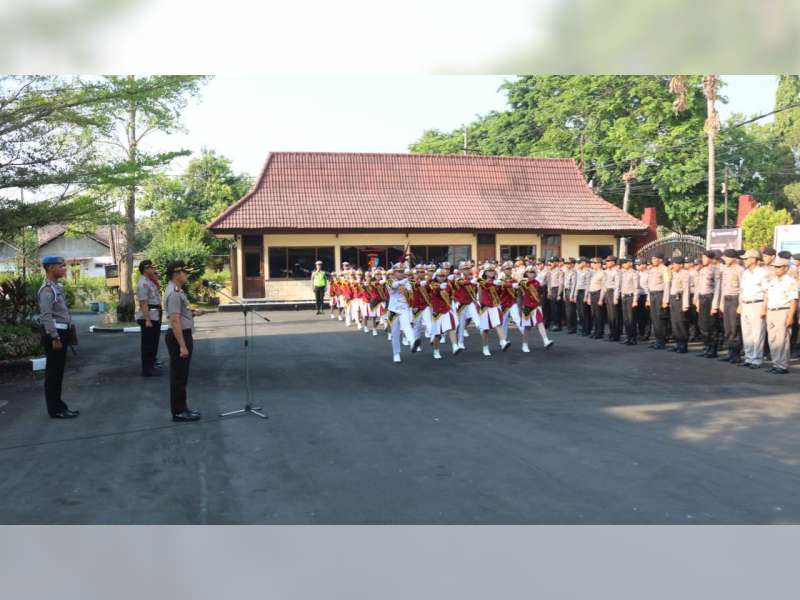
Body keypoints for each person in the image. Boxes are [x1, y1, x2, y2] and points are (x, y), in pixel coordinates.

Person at [37, 256, 79, 419]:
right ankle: (55, 410)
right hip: (55, 335)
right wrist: (55, 337)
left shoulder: (55, 287)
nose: (64, 268)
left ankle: (59, 406)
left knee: (58, 373)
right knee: (53, 374)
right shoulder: (47, 290)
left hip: (61, 333)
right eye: (60, 266)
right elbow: (46, 316)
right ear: (50, 268)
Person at [164, 260, 206, 422]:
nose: (187, 275)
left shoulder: (177, 290)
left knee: (182, 375)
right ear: (177, 274)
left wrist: (194, 313)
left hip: (181, 334)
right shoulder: (174, 293)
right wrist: (182, 345)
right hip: (179, 337)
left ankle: (182, 407)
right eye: (184, 272)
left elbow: (181, 314)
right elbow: (175, 320)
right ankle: (179, 411)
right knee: (179, 377)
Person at [764, 256, 797, 374]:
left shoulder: (790, 281)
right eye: (775, 267)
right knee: (772, 339)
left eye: (778, 267)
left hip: (783, 311)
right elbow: (767, 296)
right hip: (771, 311)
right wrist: (765, 310)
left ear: (786, 268)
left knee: (782, 340)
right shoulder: (773, 280)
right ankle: (775, 363)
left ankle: (782, 366)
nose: (776, 269)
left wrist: (790, 317)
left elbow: (793, 300)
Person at [739, 249, 768, 369]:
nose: (744, 260)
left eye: (746, 258)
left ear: (753, 259)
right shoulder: (745, 273)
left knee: (757, 334)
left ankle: (756, 359)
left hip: (757, 304)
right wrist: (740, 305)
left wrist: (764, 308)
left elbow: (767, 292)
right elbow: (742, 290)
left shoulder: (763, 273)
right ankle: (748, 357)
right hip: (745, 304)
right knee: (746, 333)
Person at [136, 259, 163, 377]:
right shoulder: (143, 283)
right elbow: (144, 303)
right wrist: (147, 319)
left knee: (154, 342)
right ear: (146, 269)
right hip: (149, 316)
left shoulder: (150, 281)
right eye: (152, 268)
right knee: (148, 344)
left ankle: (152, 365)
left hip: (155, 314)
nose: (154, 269)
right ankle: (146, 369)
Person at [716, 248, 744, 364]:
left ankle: (736, 355)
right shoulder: (725, 270)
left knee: (734, 328)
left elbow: (743, 288)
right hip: (726, 299)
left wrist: (740, 305)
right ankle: (730, 353)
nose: (725, 259)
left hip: (735, 300)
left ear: (733, 258)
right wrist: (721, 303)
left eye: (727, 257)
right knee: (727, 328)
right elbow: (723, 287)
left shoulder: (740, 270)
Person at [516, 266, 553, 351]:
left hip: (536, 306)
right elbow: (519, 296)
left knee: (540, 323)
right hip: (526, 306)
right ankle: (524, 344)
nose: (531, 274)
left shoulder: (537, 282)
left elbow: (540, 293)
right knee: (527, 326)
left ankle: (545, 340)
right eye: (529, 272)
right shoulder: (522, 282)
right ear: (526, 273)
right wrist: (519, 307)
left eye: (532, 272)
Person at [694, 250, 721, 358]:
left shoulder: (716, 270)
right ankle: (707, 346)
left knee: (711, 325)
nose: (703, 260)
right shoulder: (702, 270)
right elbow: (698, 286)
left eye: (705, 258)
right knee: (702, 324)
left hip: (710, 298)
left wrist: (715, 306)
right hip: (702, 298)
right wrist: (696, 301)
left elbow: (718, 288)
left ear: (710, 258)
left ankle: (713, 349)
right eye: (702, 257)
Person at [386, 264, 415, 363]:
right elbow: (393, 287)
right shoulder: (389, 281)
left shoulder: (407, 282)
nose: (401, 273)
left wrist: (407, 287)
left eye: (402, 271)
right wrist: (403, 282)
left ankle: (412, 342)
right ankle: (396, 353)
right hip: (393, 310)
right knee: (395, 333)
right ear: (394, 273)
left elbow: (411, 294)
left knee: (407, 325)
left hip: (404, 308)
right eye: (399, 271)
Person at [666, 256, 691, 353]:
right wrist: (668, 270)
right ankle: (678, 343)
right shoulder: (671, 273)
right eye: (672, 264)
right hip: (673, 298)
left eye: (674, 264)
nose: (673, 266)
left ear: (681, 265)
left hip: (680, 299)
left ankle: (683, 345)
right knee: (674, 322)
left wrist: (685, 304)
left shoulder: (685, 274)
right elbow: (666, 282)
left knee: (681, 323)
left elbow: (686, 290)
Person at [645, 252, 669, 349]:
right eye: (652, 259)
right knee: (654, 318)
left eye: (655, 259)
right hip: (652, 295)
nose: (653, 260)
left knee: (660, 319)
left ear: (660, 259)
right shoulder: (651, 269)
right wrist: (648, 298)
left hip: (660, 294)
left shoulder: (665, 270)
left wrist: (665, 300)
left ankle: (661, 341)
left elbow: (667, 285)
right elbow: (649, 285)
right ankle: (657, 339)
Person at [616, 256, 639, 345]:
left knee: (631, 319)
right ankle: (628, 337)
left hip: (631, 297)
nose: (623, 264)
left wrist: (635, 300)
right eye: (623, 263)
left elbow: (636, 287)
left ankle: (633, 338)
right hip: (624, 297)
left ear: (630, 263)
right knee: (626, 319)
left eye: (625, 262)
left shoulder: (634, 273)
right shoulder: (622, 273)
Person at [602, 256, 621, 341]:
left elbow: (617, 286)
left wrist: (616, 297)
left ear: (613, 262)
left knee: (614, 315)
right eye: (606, 261)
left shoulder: (617, 272)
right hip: (607, 293)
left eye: (608, 261)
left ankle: (615, 335)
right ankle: (611, 333)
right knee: (609, 315)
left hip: (613, 292)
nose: (606, 263)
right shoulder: (606, 271)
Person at [587, 257, 606, 339]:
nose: (592, 264)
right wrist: (588, 297)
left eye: (593, 263)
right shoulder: (593, 273)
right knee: (593, 314)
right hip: (592, 294)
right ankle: (595, 331)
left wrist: (601, 299)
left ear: (599, 264)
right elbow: (590, 286)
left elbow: (603, 287)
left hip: (598, 294)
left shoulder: (603, 273)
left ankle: (599, 332)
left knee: (599, 315)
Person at [563, 258, 578, 334]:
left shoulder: (574, 272)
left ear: (572, 264)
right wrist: (563, 293)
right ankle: (569, 327)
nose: (567, 265)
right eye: (566, 263)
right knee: (567, 311)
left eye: (568, 263)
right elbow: (564, 284)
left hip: (570, 291)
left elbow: (574, 284)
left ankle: (573, 328)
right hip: (566, 291)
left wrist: (572, 295)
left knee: (572, 311)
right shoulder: (566, 272)